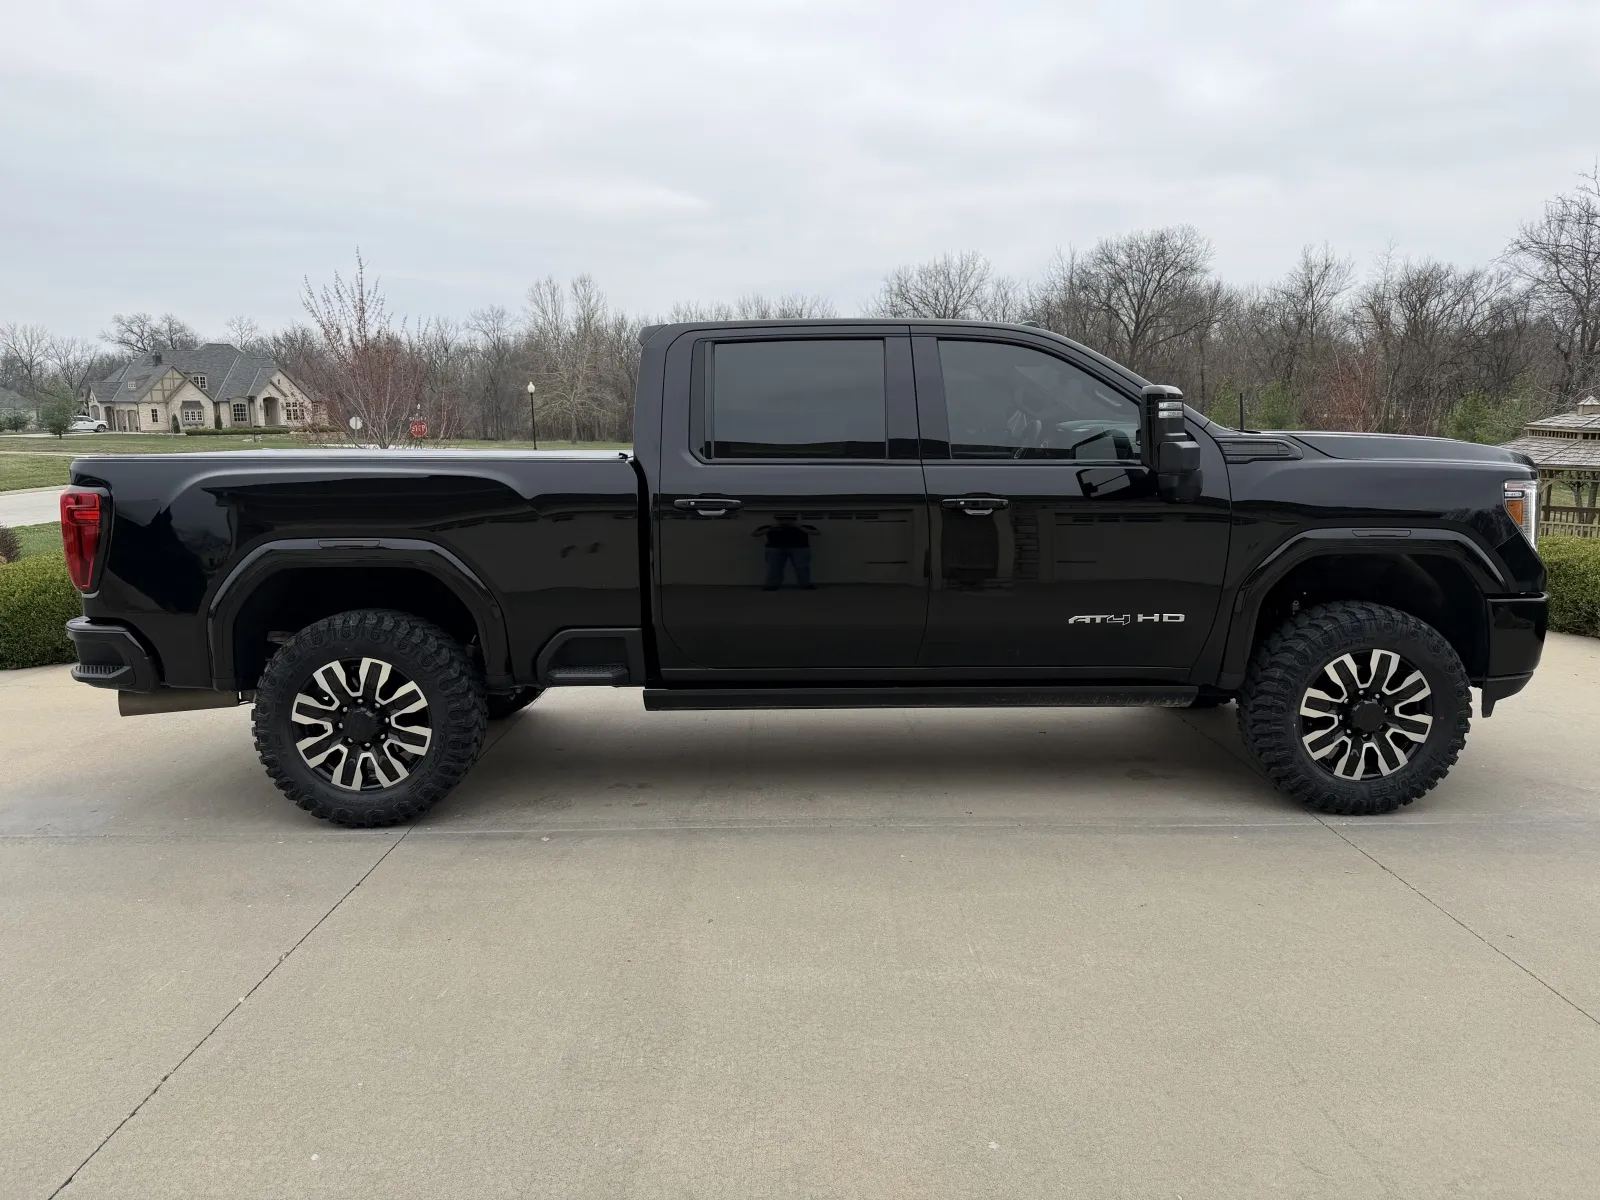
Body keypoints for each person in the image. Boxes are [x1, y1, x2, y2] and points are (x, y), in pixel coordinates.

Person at [753, 516, 819, 589]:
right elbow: (755, 534)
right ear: (778, 520)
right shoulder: (769, 527)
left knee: (802, 567)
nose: (785, 521)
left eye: (788, 520)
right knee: (774, 567)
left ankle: (805, 584)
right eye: (782, 520)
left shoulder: (804, 526)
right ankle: (772, 585)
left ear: (793, 520)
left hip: (799, 549)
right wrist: (771, 528)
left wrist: (799, 527)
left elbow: (816, 533)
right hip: (775, 549)